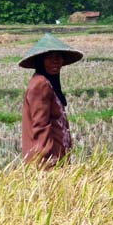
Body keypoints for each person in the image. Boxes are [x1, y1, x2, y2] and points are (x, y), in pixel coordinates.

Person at [19, 33, 84, 166]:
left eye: (58, 57)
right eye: (49, 58)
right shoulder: (41, 85)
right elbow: (41, 126)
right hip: (47, 163)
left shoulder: (47, 83)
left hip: (58, 159)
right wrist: (48, 163)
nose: (55, 61)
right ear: (40, 61)